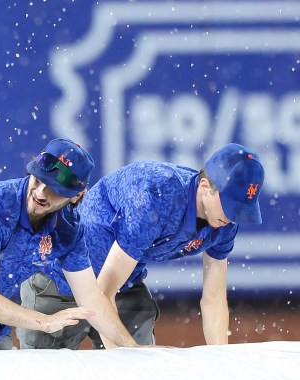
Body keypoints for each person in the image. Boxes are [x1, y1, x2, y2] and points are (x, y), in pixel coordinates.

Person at [18, 143, 265, 348]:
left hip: (122, 287)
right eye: (231, 205)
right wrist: (127, 358)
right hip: (58, 283)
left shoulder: (226, 222)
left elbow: (213, 299)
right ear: (204, 187)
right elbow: (101, 292)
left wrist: (219, 365)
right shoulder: (156, 197)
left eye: (242, 209)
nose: (234, 217)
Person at [0, 138, 140, 352]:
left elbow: (90, 296)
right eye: (39, 179)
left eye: (55, 189)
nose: (41, 193)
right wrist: (44, 321)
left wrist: (132, 347)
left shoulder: (69, 228)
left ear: (77, 196)